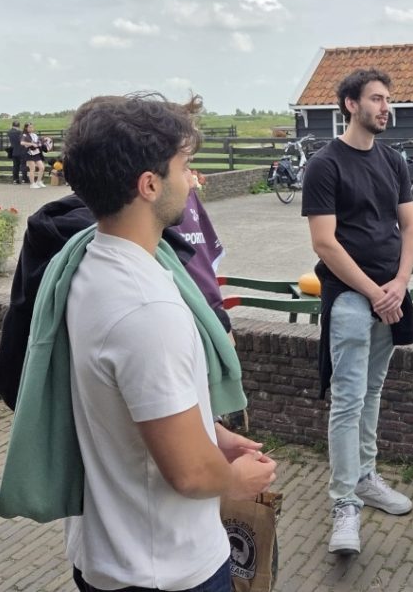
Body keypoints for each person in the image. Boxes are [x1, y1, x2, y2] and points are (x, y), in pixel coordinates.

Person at [58, 93, 276, 591]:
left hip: (108, 549)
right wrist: (237, 479)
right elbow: (191, 475)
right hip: (163, 568)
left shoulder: (90, 262)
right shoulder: (147, 309)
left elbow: (127, 403)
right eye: (186, 165)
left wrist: (211, 434)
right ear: (149, 185)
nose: (193, 180)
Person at [301, 68, 413, 557]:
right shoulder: (325, 165)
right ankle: (344, 504)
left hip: (390, 295)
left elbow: (410, 229)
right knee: (348, 401)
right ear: (350, 104)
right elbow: (324, 242)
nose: (385, 106)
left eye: (387, 99)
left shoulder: (394, 161)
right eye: (376, 98)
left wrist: (400, 283)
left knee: (372, 393)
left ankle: (366, 478)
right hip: (351, 299)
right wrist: (374, 291)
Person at [21, 121, 46, 188]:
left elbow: (38, 142)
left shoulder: (35, 135)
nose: (31, 128)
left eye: (32, 127)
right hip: (29, 153)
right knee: (32, 168)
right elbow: (22, 143)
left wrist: (40, 144)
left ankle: (38, 181)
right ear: (26, 128)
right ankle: (32, 183)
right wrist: (31, 144)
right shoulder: (25, 135)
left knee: (42, 167)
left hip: (36, 153)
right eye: (29, 127)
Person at [8, 119, 28, 184]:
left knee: (15, 166)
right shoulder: (20, 132)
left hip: (14, 150)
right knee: (23, 165)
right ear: (19, 126)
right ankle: (24, 179)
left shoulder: (9, 132)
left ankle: (15, 179)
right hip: (21, 150)